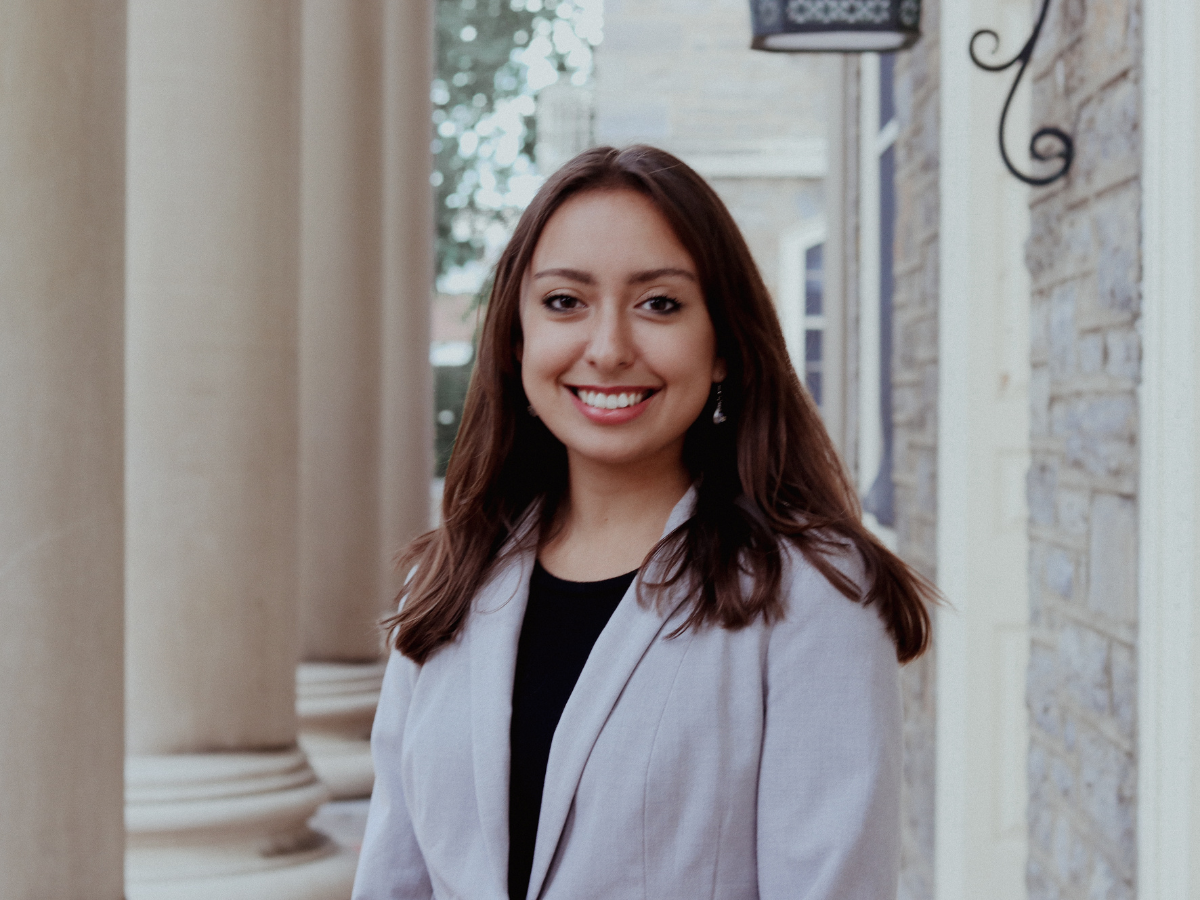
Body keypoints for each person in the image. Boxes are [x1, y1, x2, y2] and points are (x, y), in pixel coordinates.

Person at [351, 145, 934, 900]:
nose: (609, 348)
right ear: (515, 339)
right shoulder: (448, 580)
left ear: (722, 344)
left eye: (659, 303)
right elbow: (395, 876)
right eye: (565, 302)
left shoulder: (811, 594)